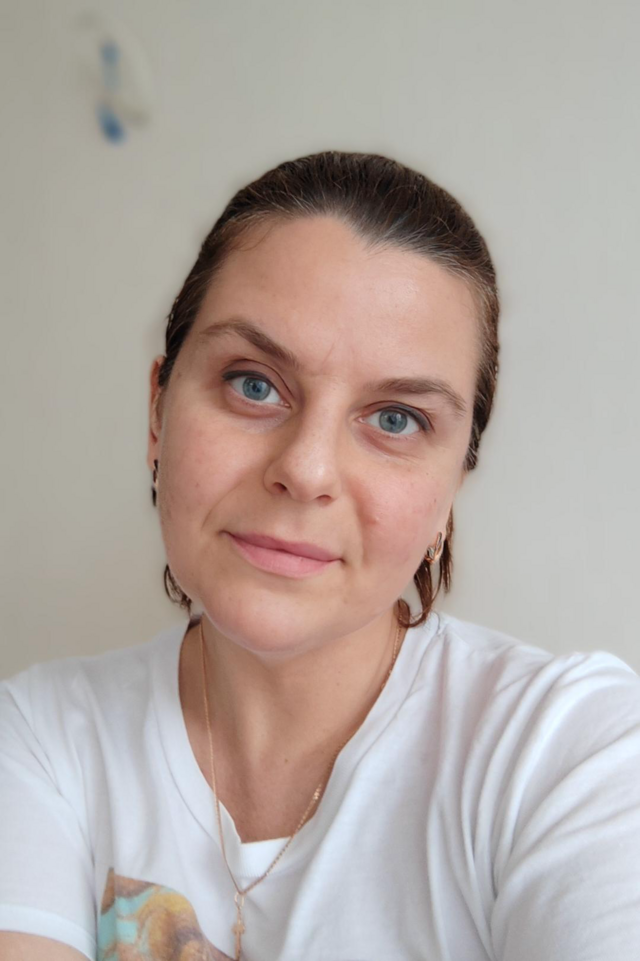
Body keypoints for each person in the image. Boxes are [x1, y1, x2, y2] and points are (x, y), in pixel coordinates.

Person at [1, 150, 640, 961]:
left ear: (452, 486)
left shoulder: (572, 753)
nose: (305, 470)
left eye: (396, 418)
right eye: (253, 383)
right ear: (158, 410)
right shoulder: (39, 741)